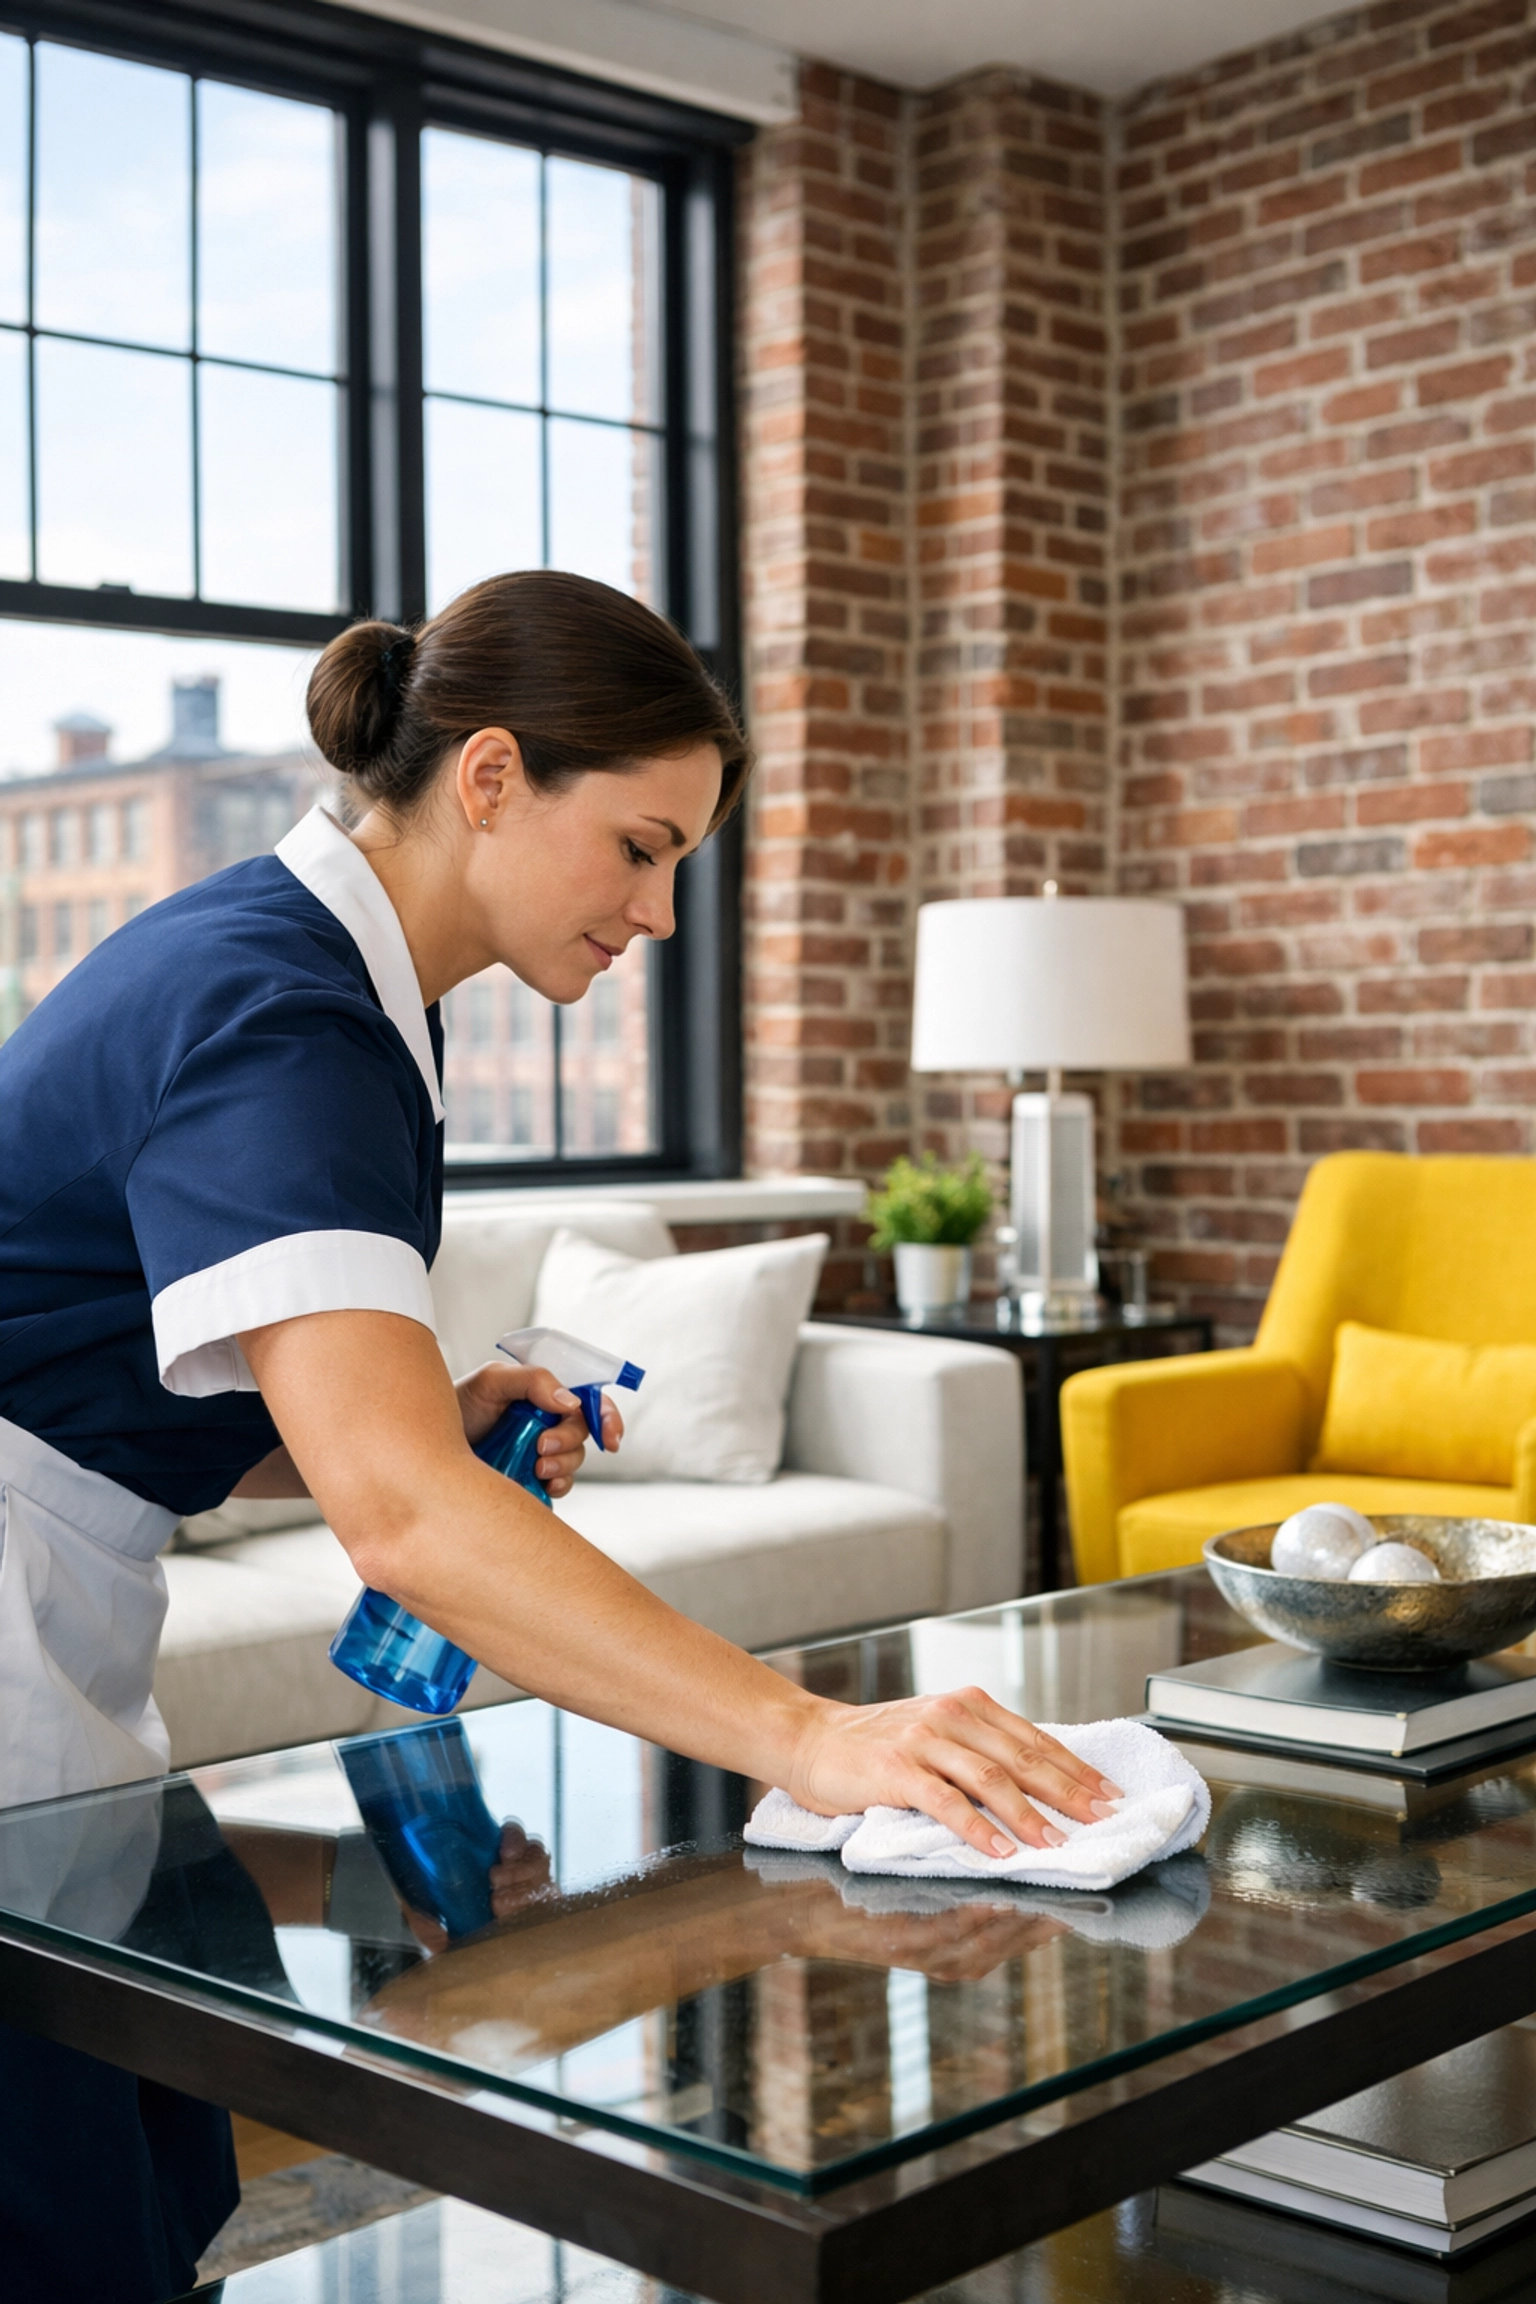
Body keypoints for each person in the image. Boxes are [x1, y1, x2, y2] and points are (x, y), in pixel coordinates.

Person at [0, 570, 1120, 2298]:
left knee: (154, 2168)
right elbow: (408, 1529)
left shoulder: (349, 988)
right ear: (495, 778)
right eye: (643, 848)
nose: (662, 914)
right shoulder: (285, 1011)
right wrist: (808, 1738)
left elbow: (133, 1378)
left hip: (66, 1580)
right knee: (65, 2203)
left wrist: (421, 1419)